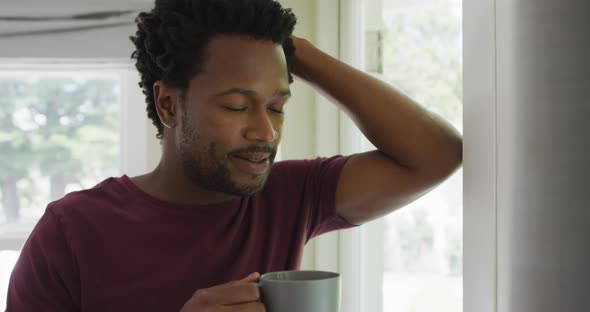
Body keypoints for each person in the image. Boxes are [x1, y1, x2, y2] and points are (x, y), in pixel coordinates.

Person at [6, 0, 462, 311]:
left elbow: (436, 155)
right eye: (238, 106)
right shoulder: (70, 233)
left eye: (278, 106)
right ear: (169, 105)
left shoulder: (289, 197)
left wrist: (291, 50)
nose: (266, 131)